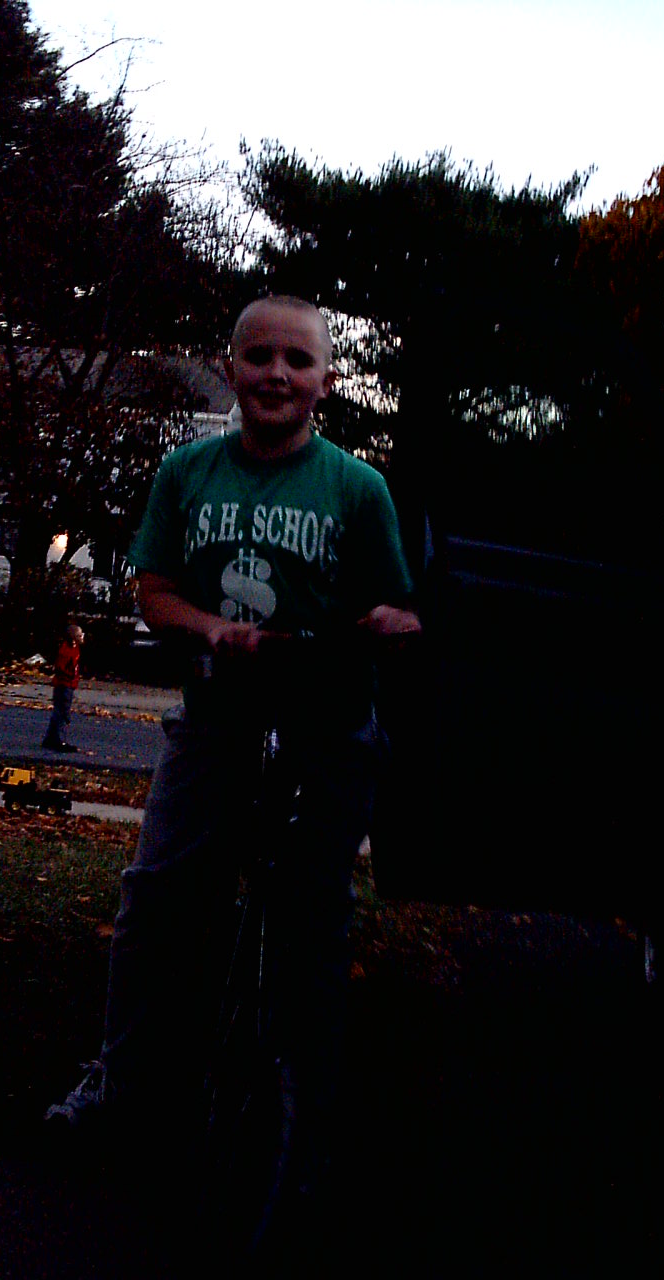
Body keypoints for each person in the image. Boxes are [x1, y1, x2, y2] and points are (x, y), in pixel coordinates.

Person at [46, 295, 420, 1249]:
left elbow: (393, 605)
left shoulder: (357, 488)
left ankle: (309, 1121)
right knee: (156, 892)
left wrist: (388, 622)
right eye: (258, 357)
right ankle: (120, 1079)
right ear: (231, 366)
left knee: (314, 915)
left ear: (326, 380)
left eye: (297, 360)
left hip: (327, 719)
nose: (276, 375)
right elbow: (155, 588)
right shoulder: (188, 472)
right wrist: (211, 628)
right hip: (220, 710)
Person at [41, 622, 84, 752]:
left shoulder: (74, 648)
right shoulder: (66, 651)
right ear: (73, 639)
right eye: (79, 635)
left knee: (58, 712)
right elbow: (61, 668)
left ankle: (50, 739)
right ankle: (59, 741)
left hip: (67, 685)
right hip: (64, 686)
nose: (82, 636)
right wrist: (70, 676)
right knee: (63, 714)